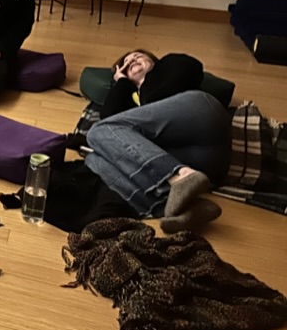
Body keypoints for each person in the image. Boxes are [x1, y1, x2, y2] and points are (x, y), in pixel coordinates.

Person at [85, 50, 231, 233]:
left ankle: (179, 177)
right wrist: (122, 83)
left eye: (138, 56)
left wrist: (147, 85)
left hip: (202, 117)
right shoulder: (129, 97)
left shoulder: (167, 66)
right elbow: (108, 121)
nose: (132, 60)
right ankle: (182, 207)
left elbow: (191, 68)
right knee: (95, 159)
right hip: (205, 164)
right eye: (126, 63)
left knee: (96, 131)